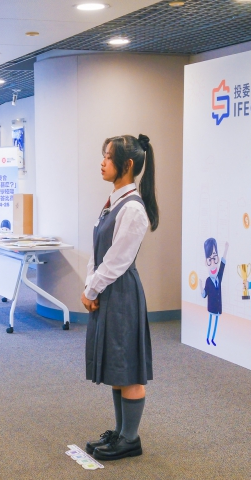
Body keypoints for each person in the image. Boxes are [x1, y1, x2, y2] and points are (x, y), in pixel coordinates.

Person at [83, 134, 159, 462]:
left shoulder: (134, 209)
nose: (102, 162)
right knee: (117, 366)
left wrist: (92, 289)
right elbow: (97, 251)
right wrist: (90, 285)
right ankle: (121, 431)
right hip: (108, 290)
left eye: (108, 157)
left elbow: (117, 260)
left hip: (122, 294)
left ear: (126, 165)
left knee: (128, 368)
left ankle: (130, 439)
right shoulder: (113, 202)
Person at [200, 238, 228, 346]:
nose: (212, 263)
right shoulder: (208, 280)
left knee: (216, 322)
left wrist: (226, 249)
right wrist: (200, 286)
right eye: (209, 260)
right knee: (210, 321)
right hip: (211, 307)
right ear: (206, 262)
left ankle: (212, 338)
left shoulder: (219, 277)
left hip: (218, 307)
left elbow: (223, 264)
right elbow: (204, 294)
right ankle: (208, 337)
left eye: (215, 258)